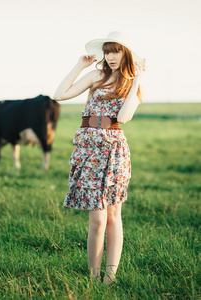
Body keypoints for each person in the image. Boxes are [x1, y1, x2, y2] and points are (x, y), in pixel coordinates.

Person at [54, 31, 146, 284]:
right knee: (97, 218)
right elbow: (60, 95)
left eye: (115, 51)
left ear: (126, 53)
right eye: (107, 51)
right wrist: (80, 65)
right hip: (88, 148)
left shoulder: (133, 87)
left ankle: (110, 277)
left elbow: (124, 118)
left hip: (114, 149)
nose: (110, 56)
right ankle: (94, 277)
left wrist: (137, 79)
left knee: (113, 215)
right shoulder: (97, 76)